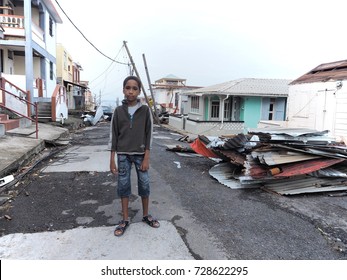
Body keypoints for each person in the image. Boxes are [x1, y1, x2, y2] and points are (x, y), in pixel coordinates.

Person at [109, 75, 160, 237]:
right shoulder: (118, 111)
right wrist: (112, 159)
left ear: (139, 91)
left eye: (135, 88)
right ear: (123, 90)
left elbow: (148, 134)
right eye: (128, 88)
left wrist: (147, 157)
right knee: (123, 186)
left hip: (140, 154)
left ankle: (145, 215)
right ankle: (125, 219)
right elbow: (114, 135)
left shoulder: (145, 111)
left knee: (144, 184)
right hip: (123, 154)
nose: (131, 91)